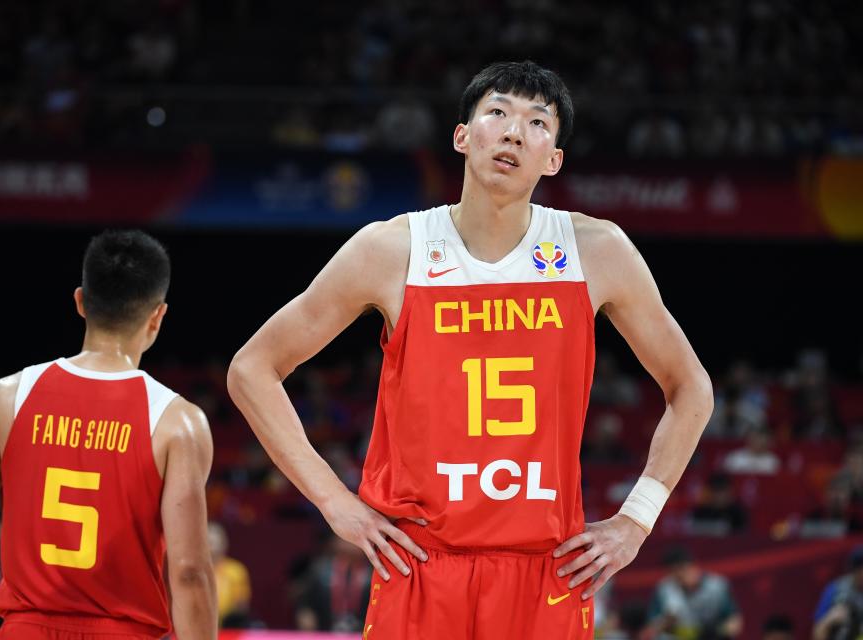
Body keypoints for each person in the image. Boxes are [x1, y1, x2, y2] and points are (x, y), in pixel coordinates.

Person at [228, 60, 713, 639]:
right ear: (462, 135)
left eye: (537, 123)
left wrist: (636, 519)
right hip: (420, 565)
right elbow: (252, 368)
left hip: (545, 570)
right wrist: (334, 501)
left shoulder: (596, 250)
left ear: (553, 159)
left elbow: (692, 390)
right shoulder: (392, 249)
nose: (513, 132)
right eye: (498, 112)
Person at [0, 230, 217, 639]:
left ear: (81, 301)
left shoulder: (6, 398)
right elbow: (189, 573)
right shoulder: (178, 422)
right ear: (158, 315)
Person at [643, 546, 742, 640]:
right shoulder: (664, 589)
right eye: (672, 571)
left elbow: (735, 622)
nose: (679, 574)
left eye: (682, 568)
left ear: (693, 565)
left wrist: (717, 631)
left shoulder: (717, 585)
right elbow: (651, 628)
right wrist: (667, 621)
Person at [208, 521, 251, 627]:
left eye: (217, 542)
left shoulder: (236, 570)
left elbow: (241, 605)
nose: (214, 547)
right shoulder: (196, 572)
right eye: (210, 542)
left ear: (224, 543)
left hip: (230, 627)